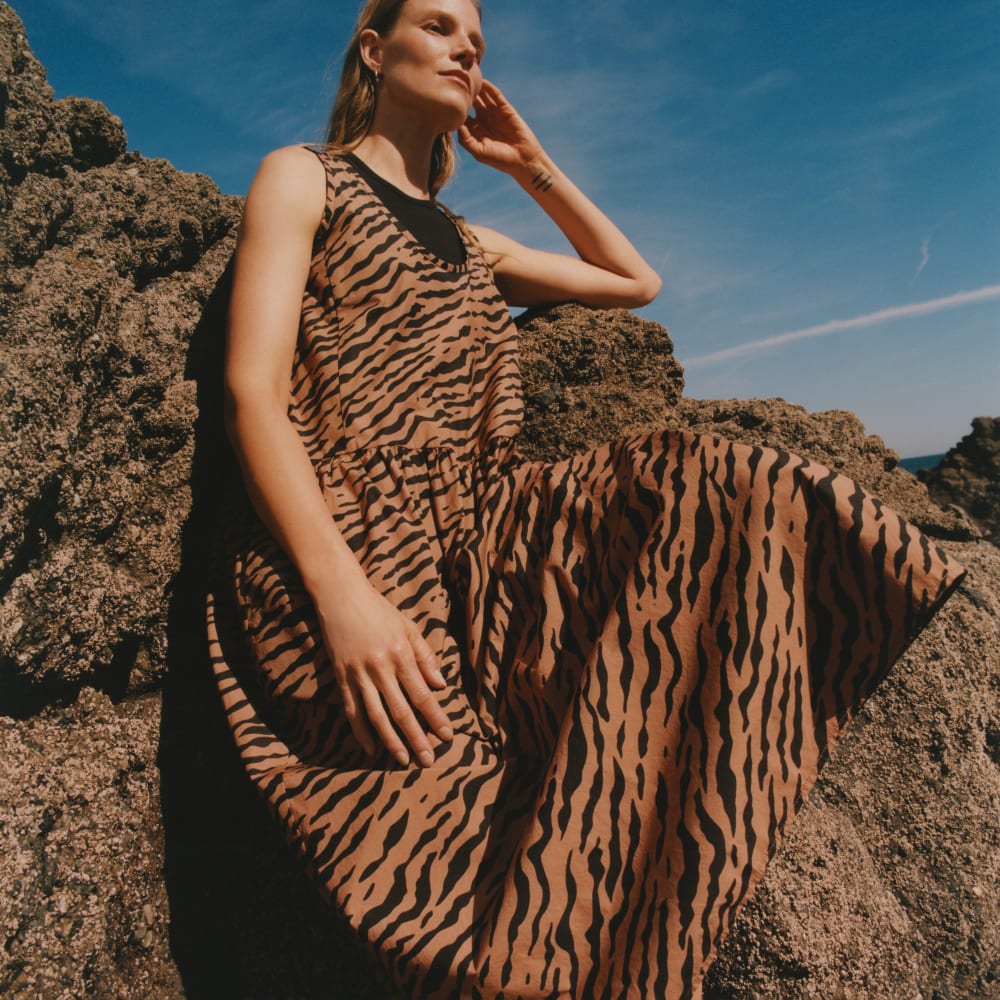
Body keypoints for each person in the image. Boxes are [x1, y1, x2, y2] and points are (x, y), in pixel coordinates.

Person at [206, 0, 964, 996]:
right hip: (351, 539)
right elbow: (251, 393)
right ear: (373, 48)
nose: (466, 49)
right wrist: (341, 595)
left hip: (483, 531)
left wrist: (530, 165)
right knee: (451, 866)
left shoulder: (473, 243)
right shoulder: (305, 177)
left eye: (476, 41)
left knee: (732, 486)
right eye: (438, 27)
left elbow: (634, 280)